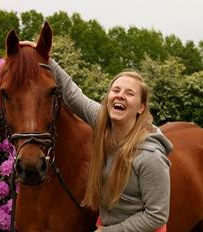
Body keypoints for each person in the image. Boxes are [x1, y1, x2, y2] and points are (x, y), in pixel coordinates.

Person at [20, 40, 172, 232]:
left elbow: (157, 216)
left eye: (129, 93)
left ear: (141, 108)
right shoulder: (103, 121)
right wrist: (43, 57)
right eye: (115, 90)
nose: (120, 95)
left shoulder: (150, 156)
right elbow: (72, 93)